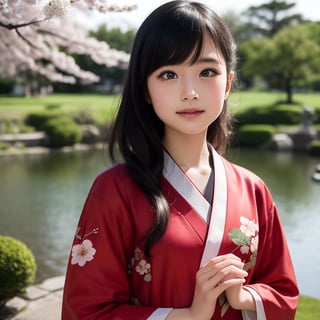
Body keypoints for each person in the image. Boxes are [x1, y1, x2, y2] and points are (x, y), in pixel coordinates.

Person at [62, 1, 299, 319]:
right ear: (145, 89)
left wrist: (248, 297)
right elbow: (87, 310)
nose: (190, 92)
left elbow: (283, 290)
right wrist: (185, 316)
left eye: (206, 72)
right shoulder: (114, 190)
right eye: (169, 74)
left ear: (227, 83)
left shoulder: (253, 189)